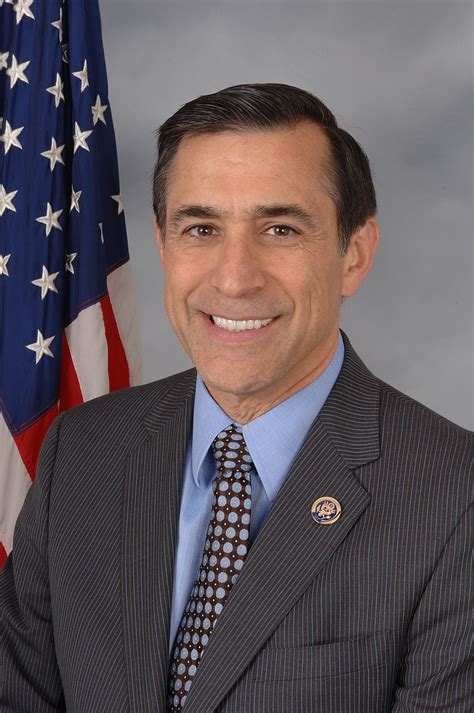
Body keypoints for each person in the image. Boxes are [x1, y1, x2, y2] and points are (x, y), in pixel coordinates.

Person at [0, 83, 471, 713]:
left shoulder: (454, 500)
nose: (234, 278)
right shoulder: (82, 450)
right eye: (201, 228)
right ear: (163, 246)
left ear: (353, 256)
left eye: (280, 228)